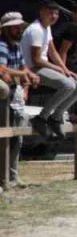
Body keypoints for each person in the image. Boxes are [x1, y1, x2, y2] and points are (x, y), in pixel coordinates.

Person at [22, 1, 77, 137]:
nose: (53, 16)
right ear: (41, 12)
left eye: (56, 13)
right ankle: (41, 118)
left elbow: (52, 51)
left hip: (43, 67)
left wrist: (65, 69)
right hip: (32, 69)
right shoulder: (36, 29)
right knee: (68, 84)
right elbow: (36, 59)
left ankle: (55, 117)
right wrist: (58, 68)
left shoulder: (47, 27)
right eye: (50, 12)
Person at [0, 11, 36, 189]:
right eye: (15, 27)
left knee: (17, 139)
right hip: (7, 98)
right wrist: (24, 74)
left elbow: (22, 68)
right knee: (6, 139)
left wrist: (28, 78)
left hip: (16, 96)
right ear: (6, 29)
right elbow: (1, 68)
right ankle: (5, 178)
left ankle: (12, 176)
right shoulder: (2, 45)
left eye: (20, 27)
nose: (19, 29)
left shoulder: (16, 46)